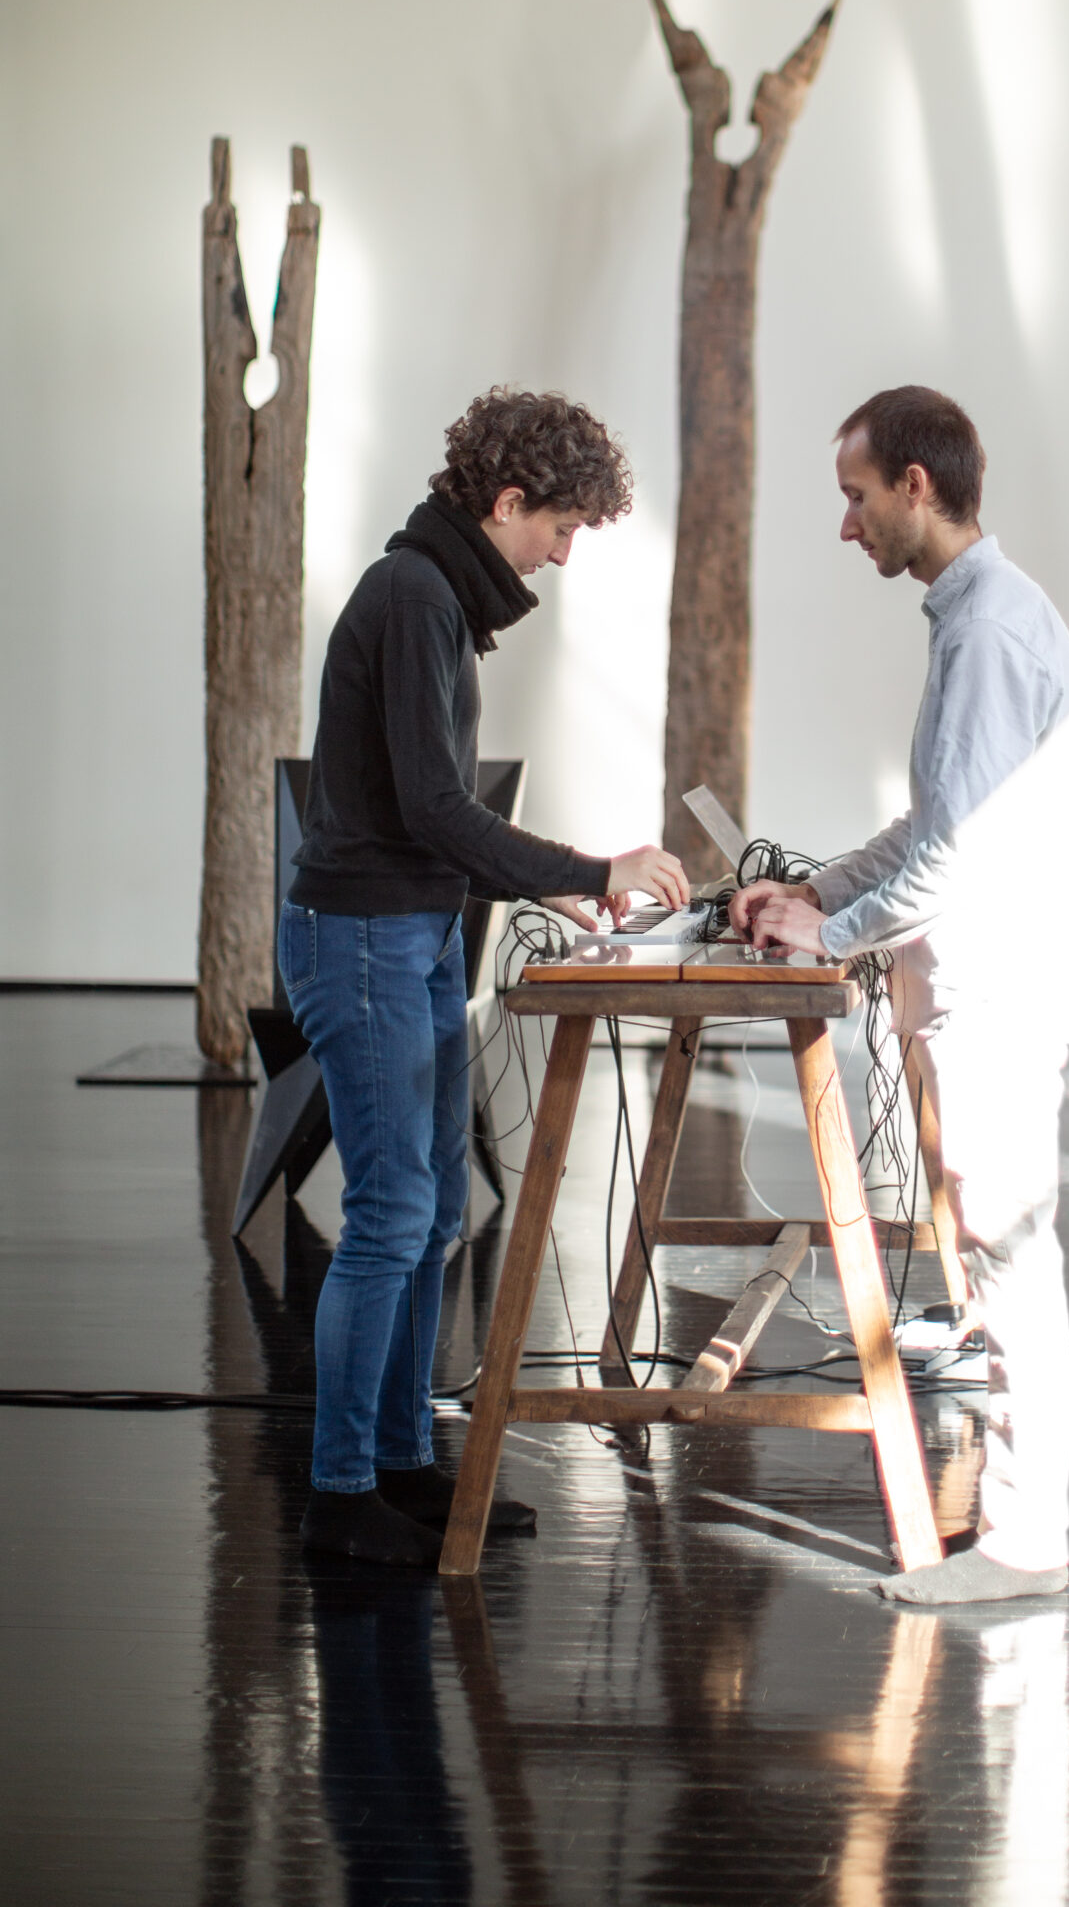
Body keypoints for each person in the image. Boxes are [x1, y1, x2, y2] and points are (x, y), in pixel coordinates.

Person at [282, 386, 688, 1568]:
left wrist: (546, 885)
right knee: (394, 1213)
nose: (563, 552)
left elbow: (431, 819)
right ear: (506, 501)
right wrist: (586, 865)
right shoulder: (412, 596)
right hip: (362, 939)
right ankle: (343, 1493)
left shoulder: (441, 601)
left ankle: (403, 1460)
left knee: (436, 1211)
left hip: (410, 930)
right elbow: (433, 804)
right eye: (558, 526)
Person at [732, 385, 1069, 1606]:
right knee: (992, 1259)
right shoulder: (972, 615)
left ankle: (1024, 1545)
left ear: (915, 487)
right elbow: (928, 821)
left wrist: (824, 932)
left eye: (853, 496)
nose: (847, 527)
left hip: (995, 993)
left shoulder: (990, 630)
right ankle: (1015, 1536)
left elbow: (955, 860)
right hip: (969, 989)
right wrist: (810, 888)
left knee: (1006, 1263)